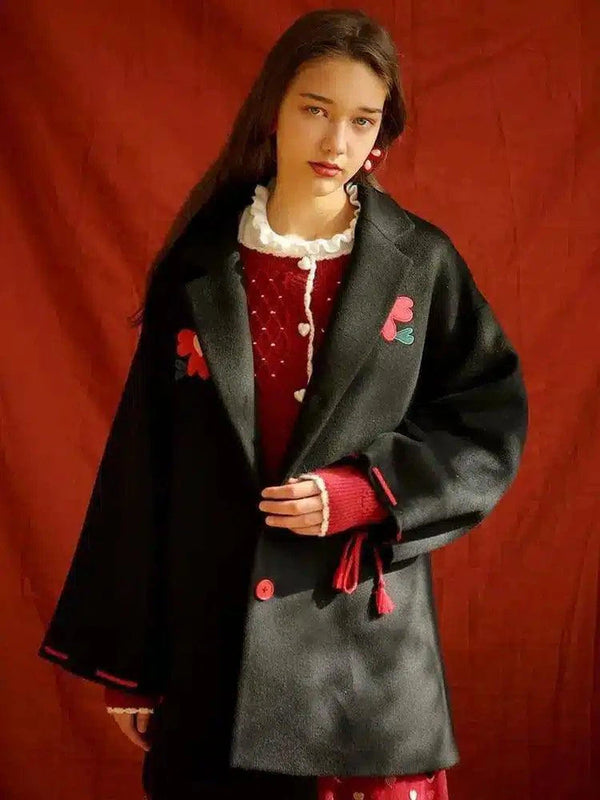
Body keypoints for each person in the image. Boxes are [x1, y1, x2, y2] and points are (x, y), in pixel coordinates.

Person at [37, 8, 528, 800]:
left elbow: (488, 419)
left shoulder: (421, 263)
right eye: (316, 109)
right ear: (273, 109)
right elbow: (142, 466)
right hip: (212, 649)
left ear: (382, 133)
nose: (337, 141)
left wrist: (367, 491)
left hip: (365, 660)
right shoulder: (199, 270)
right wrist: (131, 662)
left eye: (362, 120)